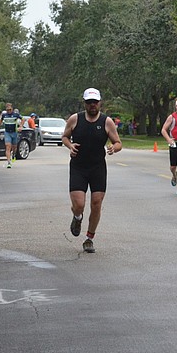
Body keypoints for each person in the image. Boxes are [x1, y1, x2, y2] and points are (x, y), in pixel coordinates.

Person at [61, 88, 123, 253]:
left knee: (96, 204)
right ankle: (77, 217)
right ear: (85, 103)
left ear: (100, 103)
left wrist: (113, 148)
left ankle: (89, 238)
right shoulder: (75, 119)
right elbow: (65, 136)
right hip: (78, 167)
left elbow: (118, 142)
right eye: (89, 102)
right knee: (79, 204)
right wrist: (70, 145)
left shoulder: (106, 122)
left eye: (95, 102)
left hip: (97, 168)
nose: (92, 105)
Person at [0, 103, 22, 168]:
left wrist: (21, 126)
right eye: (7, 110)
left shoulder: (15, 114)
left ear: (12, 109)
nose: (9, 111)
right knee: (8, 147)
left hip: (14, 132)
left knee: (14, 147)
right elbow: (0, 120)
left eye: (10, 110)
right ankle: (8, 162)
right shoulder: (4, 115)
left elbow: (23, 119)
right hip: (7, 132)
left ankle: (13, 154)